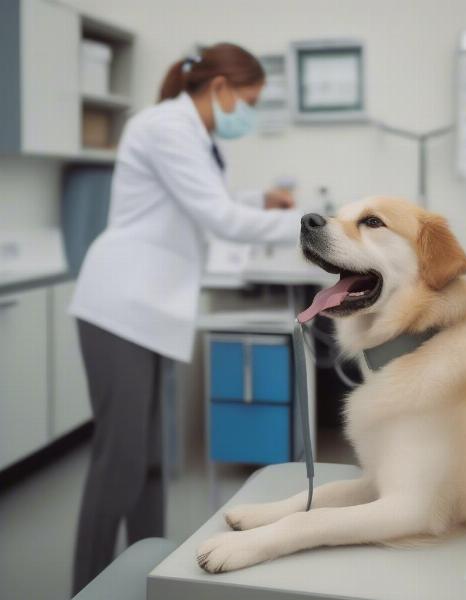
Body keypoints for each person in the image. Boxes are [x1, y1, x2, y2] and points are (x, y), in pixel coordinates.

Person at [69, 42, 300, 594]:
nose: (248, 111)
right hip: (120, 307)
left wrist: (257, 199)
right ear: (219, 88)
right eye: (248, 99)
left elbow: (200, 200)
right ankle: (85, 586)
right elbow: (218, 218)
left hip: (149, 310)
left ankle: (150, 575)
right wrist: (317, 226)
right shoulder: (164, 126)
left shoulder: (193, 136)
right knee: (119, 464)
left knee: (151, 463)